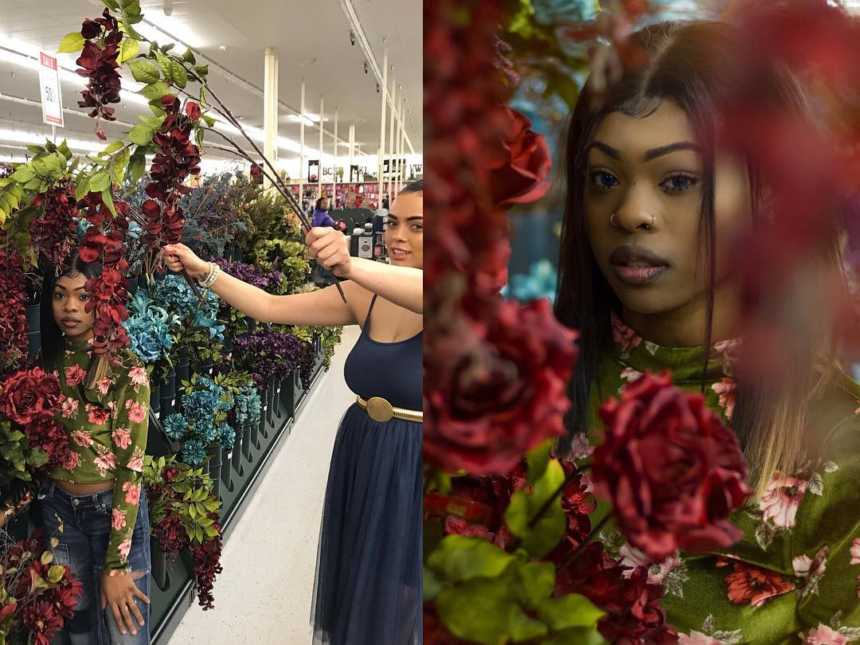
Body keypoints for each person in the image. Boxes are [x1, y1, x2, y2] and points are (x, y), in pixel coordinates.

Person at [554, 21, 860, 640]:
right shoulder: (519, 388)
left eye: (677, 181)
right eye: (605, 178)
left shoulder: (837, 445)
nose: (631, 213)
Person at [163, 179, 424, 645]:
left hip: (420, 467)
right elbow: (270, 307)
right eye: (394, 223)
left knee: (412, 592)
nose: (398, 237)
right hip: (365, 452)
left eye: (419, 226)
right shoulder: (368, 295)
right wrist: (205, 272)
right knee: (368, 585)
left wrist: (349, 263)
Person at [0, 253, 152, 644]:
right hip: (59, 512)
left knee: (126, 631)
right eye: (59, 295)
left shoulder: (125, 368)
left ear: (103, 300)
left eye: (83, 297)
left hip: (112, 513)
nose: (69, 307)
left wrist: (116, 564)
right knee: (79, 629)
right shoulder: (45, 363)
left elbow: (131, 469)